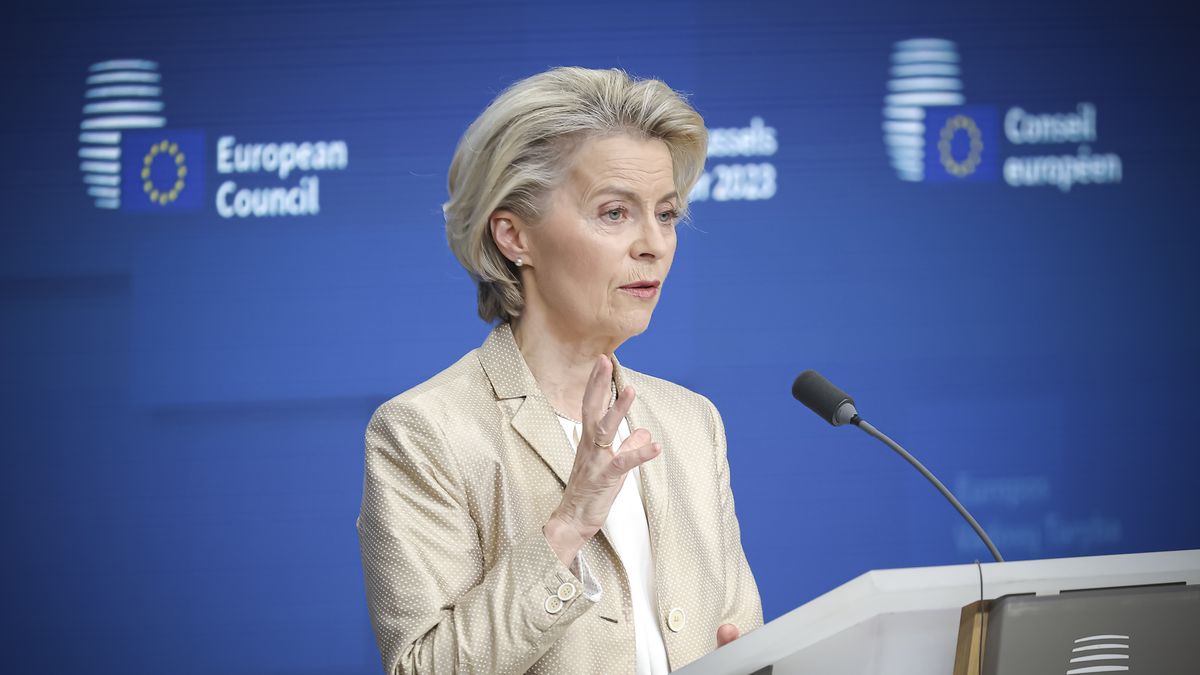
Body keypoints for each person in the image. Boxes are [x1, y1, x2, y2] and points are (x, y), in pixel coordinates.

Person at [357, 66, 762, 675]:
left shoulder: (690, 423)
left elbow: (739, 631)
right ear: (515, 236)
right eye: (615, 213)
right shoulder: (424, 433)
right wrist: (570, 522)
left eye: (667, 214)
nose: (653, 243)